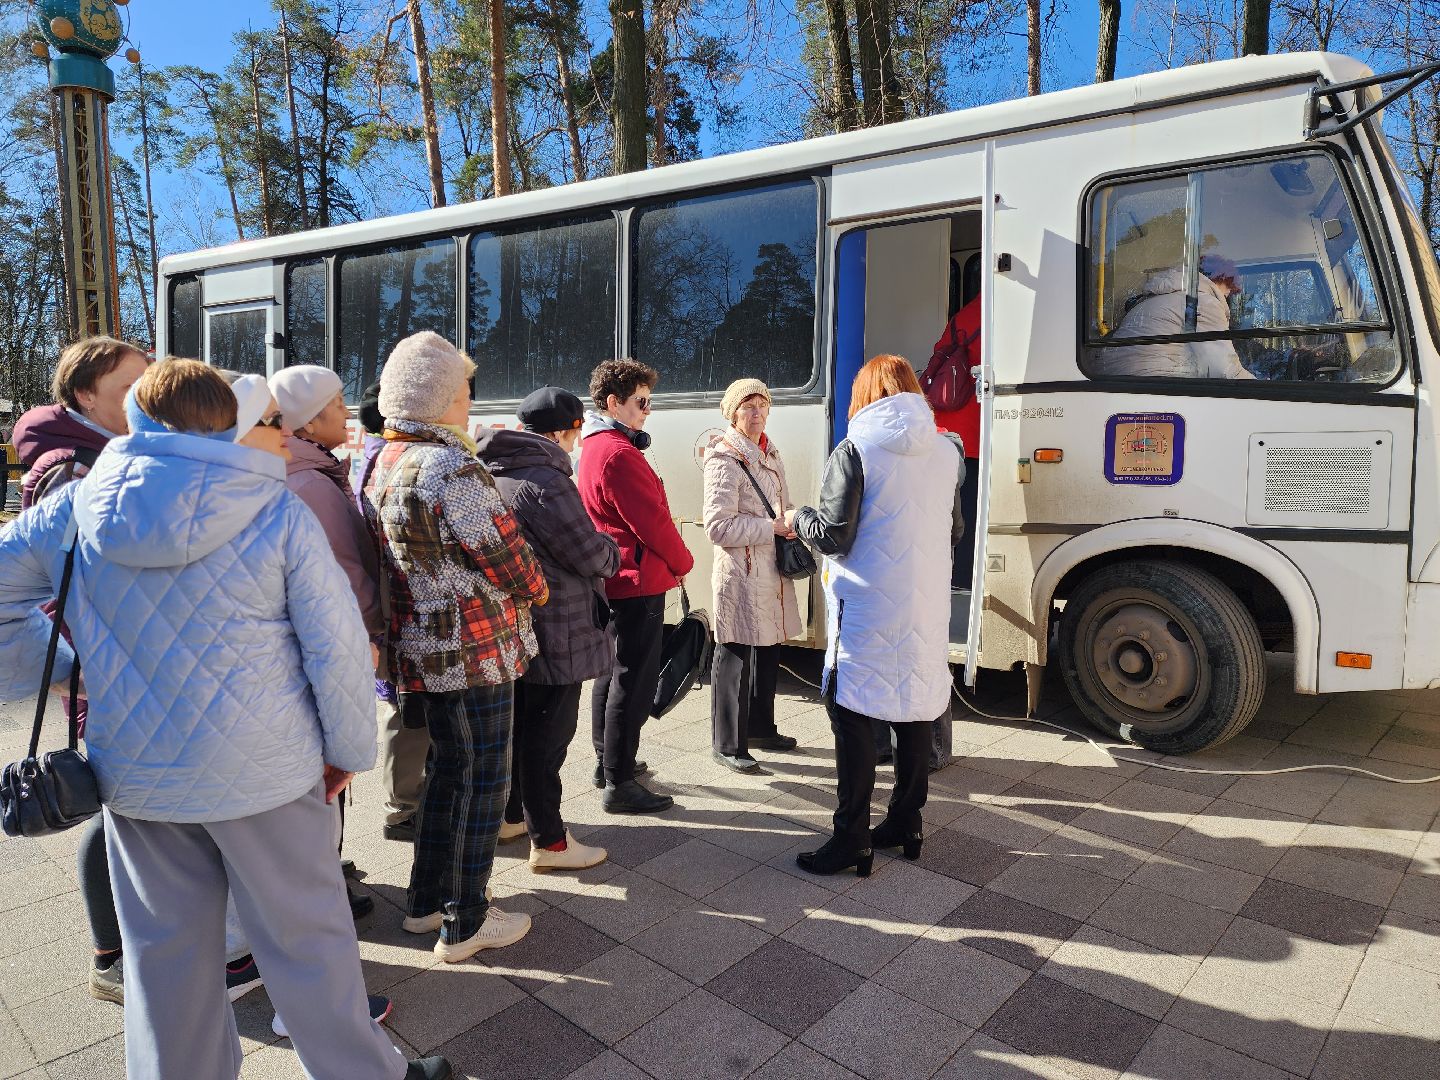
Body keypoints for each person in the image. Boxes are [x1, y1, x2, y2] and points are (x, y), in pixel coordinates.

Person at [0, 359, 448, 1080]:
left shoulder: (75, 507)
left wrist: (59, 667)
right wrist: (347, 750)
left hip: (136, 776)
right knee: (310, 943)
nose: (277, 430)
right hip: (269, 772)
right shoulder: (277, 512)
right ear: (220, 420)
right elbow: (334, 651)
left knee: (164, 958)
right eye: (268, 420)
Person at [363, 331, 548, 962]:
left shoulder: (381, 461)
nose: (470, 403)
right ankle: (465, 919)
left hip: (424, 650)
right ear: (438, 397)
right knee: (483, 780)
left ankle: (425, 901)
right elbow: (505, 555)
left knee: (447, 772)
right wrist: (538, 591)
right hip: (477, 649)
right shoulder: (450, 466)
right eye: (463, 391)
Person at [792, 355, 964, 876]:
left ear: (864, 396)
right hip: (925, 602)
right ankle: (905, 824)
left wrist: (797, 517)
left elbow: (833, 535)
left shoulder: (856, 449)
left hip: (867, 605)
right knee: (915, 710)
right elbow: (954, 530)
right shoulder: (946, 448)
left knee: (852, 715)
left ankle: (851, 839)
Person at [476, 386, 617, 871]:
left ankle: (513, 817)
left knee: (524, 725)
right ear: (562, 431)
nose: (578, 441)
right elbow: (587, 552)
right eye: (578, 431)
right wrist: (611, 549)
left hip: (521, 622)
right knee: (549, 736)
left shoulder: (499, 472)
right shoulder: (547, 480)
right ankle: (551, 842)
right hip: (560, 622)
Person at [270, 364, 389, 923]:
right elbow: (346, 575)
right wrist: (375, 633)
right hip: (333, 648)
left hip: (315, 649)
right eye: (337, 404)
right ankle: (323, 884)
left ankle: (325, 870)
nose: (347, 414)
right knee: (328, 771)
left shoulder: (312, 471)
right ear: (308, 418)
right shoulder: (311, 483)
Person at [577, 358, 694, 814]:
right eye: (641, 402)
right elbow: (654, 524)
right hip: (637, 579)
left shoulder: (595, 447)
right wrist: (683, 562)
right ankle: (619, 782)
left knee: (613, 673)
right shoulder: (619, 454)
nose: (648, 410)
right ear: (613, 402)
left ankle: (608, 762)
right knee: (634, 679)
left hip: (616, 577)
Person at [701, 378, 801, 772]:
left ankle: (761, 729)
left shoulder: (770, 452)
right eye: (748, 406)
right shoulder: (724, 458)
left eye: (762, 405)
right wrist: (771, 528)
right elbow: (717, 527)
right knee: (735, 652)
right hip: (741, 572)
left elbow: (781, 505)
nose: (757, 413)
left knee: (769, 647)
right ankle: (728, 745)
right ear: (732, 413)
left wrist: (791, 521)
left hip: (769, 568)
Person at [353, 379, 430, 844]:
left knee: (402, 709)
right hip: (394, 612)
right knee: (404, 713)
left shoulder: (373, 457)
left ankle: (405, 802)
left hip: (390, 610)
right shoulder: (388, 461)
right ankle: (404, 808)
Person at [12, 337, 149, 509]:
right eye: (132, 388)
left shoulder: (115, 454)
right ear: (86, 396)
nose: (148, 399)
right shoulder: (74, 470)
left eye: (149, 388)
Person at [1093, 254, 1256, 380]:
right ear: (1220, 277)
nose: (1229, 294)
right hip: (1154, 383)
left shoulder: (1156, 297)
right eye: (1230, 286)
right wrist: (1262, 385)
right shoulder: (1204, 302)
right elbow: (1223, 368)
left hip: (1114, 379)